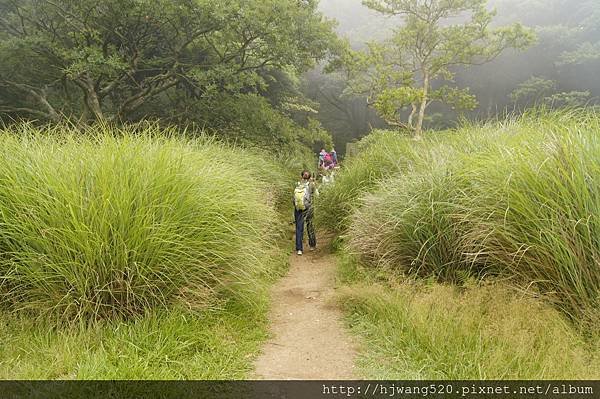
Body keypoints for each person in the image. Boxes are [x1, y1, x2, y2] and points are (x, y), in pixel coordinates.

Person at [293, 170, 317, 255]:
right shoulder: (311, 184)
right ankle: (312, 245)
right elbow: (317, 195)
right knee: (310, 225)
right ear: (310, 177)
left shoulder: (297, 184)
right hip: (308, 207)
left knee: (299, 228)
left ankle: (299, 248)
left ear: (301, 176)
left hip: (298, 208)